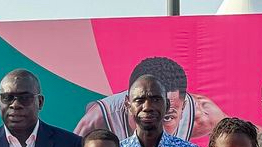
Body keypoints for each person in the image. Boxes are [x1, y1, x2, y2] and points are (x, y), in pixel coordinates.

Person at [74, 57, 226, 142]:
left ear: (184, 107)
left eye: (167, 116)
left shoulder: (204, 117)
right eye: (142, 103)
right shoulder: (100, 117)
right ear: (128, 103)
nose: (154, 120)